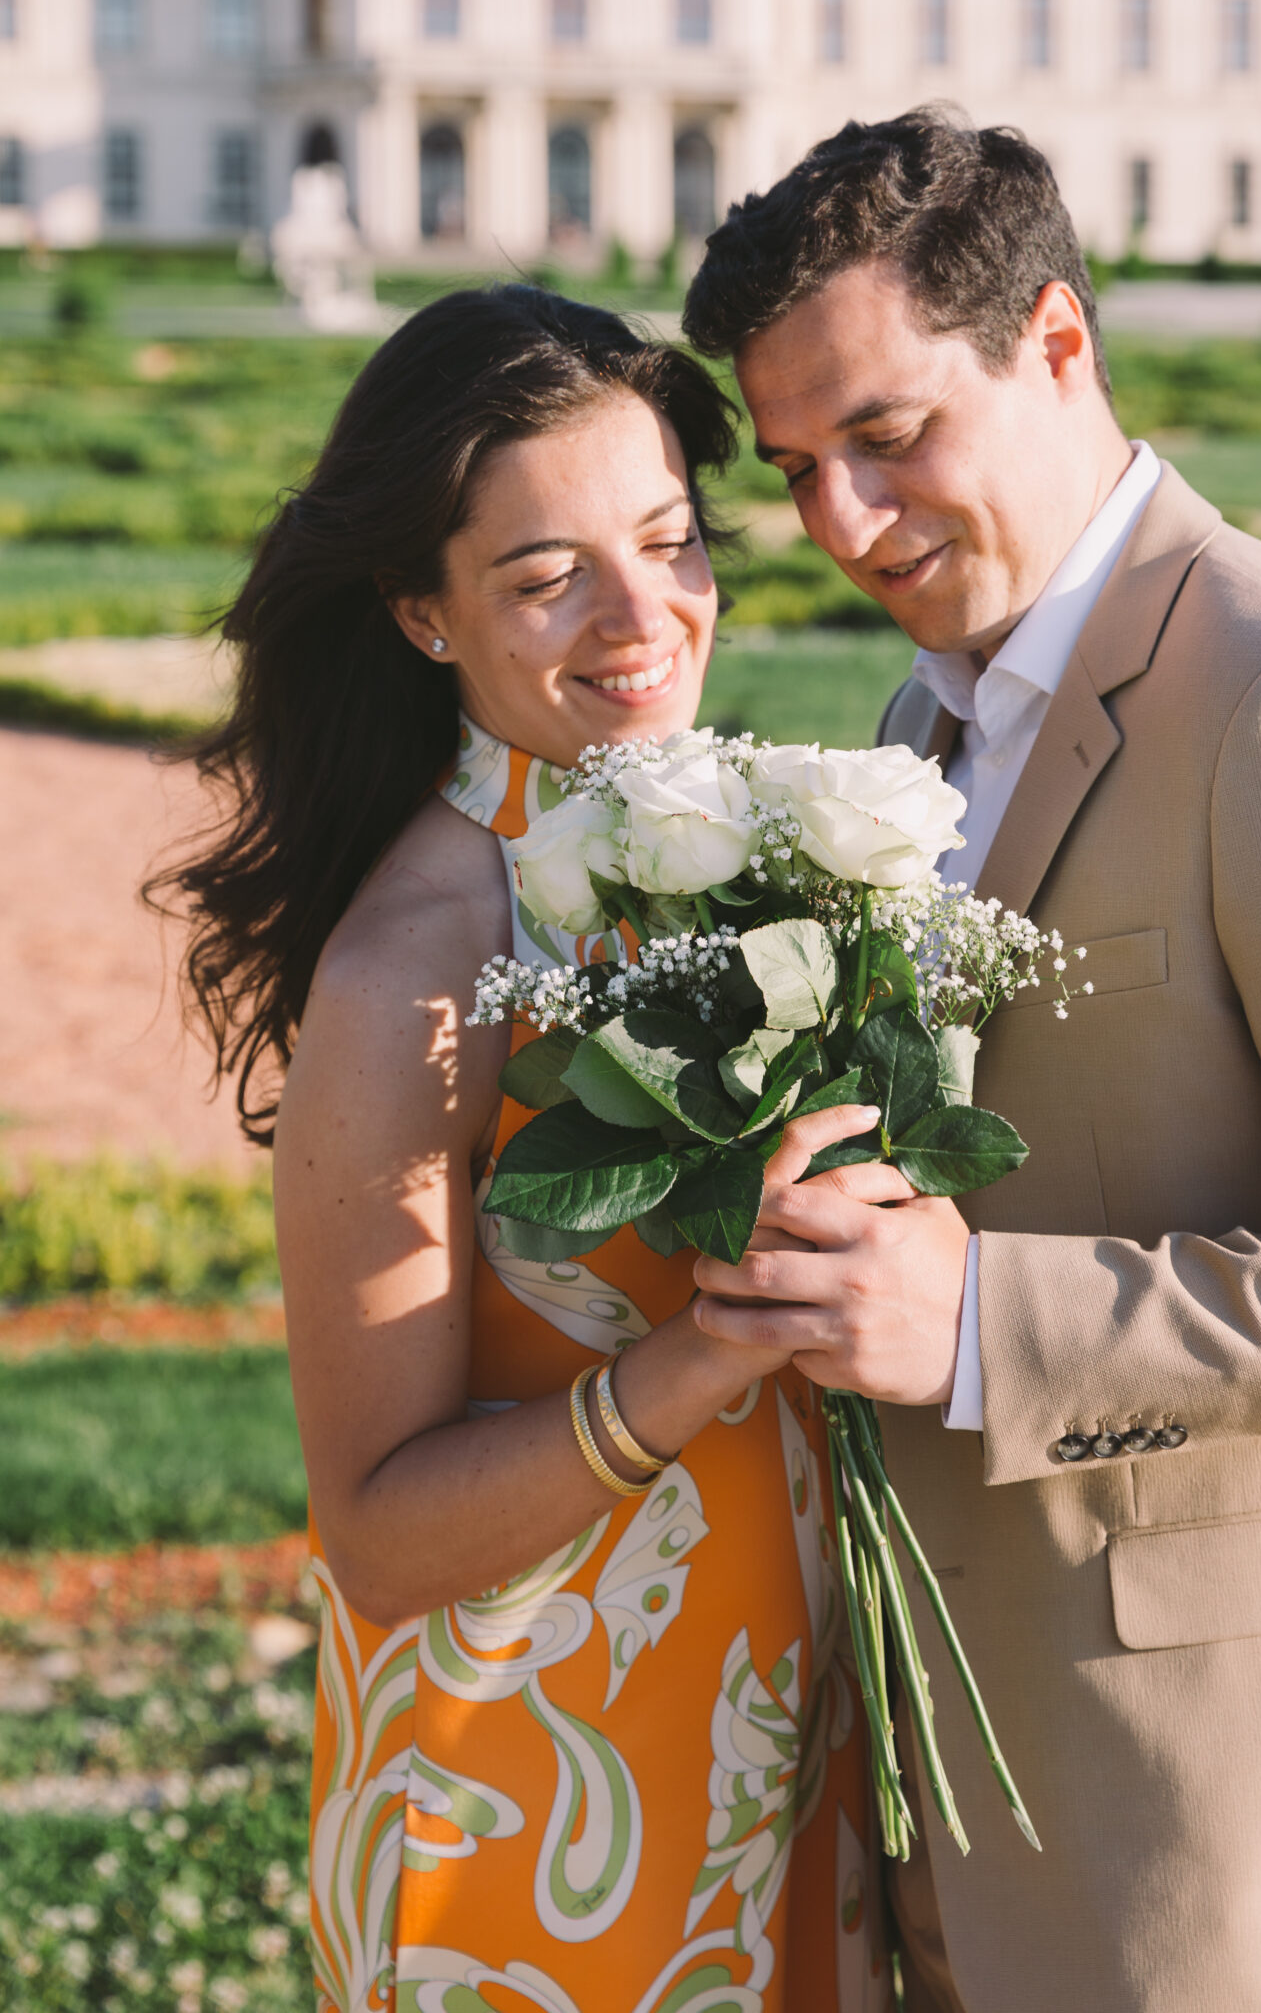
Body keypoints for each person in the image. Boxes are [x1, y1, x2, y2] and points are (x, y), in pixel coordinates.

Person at [681, 110, 1261, 2013]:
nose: (838, 526)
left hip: (1227, 1787)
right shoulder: (922, 710)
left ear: (1060, 342)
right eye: (794, 471)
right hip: (972, 1749)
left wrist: (984, 1326)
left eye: (889, 436)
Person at [156, 287, 891, 2013]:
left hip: (768, 1727)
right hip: (530, 1787)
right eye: (547, 573)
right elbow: (383, 1537)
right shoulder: (415, 960)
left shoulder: (719, 858)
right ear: (424, 613)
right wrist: (716, 1344)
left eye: (668, 541)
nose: (645, 618)